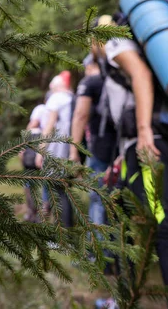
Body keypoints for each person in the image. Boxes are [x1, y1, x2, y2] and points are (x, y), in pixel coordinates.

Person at [96, 13, 168, 308]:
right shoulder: (119, 50)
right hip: (132, 151)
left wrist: (144, 131)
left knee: (159, 223)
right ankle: (124, 299)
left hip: (146, 147)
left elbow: (141, 75)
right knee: (125, 221)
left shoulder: (113, 42)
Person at [69, 54, 116, 229]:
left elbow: (80, 115)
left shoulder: (90, 82)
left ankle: (98, 251)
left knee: (97, 197)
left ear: (89, 66)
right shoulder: (115, 79)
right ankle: (117, 248)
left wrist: (74, 152)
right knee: (116, 198)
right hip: (120, 148)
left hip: (100, 148)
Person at [39, 71, 75, 228]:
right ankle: (68, 228)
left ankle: (61, 232)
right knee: (64, 191)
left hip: (55, 150)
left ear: (55, 87)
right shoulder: (71, 98)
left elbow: (49, 125)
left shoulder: (56, 99)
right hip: (69, 148)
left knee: (56, 192)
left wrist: (41, 149)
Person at [21, 93, 51, 222]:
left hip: (35, 146)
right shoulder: (55, 109)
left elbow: (33, 124)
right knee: (46, 180)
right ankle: (45, 211)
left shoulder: (40, 109)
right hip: (50, 146)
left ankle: (31, 211)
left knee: (29, 179)